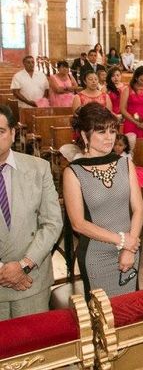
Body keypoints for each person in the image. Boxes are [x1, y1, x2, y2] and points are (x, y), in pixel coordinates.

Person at [63, 103, 143, 298]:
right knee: (103, 318)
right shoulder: (73, 172)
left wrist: (129, 248)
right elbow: (78, 224)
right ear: (84, 135)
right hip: (96, 255)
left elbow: (139, 209)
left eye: (112, 130)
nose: (109, 137)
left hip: (130, 251)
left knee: (132, 313)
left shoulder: (125, 163)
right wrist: (123, 241)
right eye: (101, 132)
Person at [0, 106, 62, 320]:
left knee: (35, 350)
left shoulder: (39, 168)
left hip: (32, 281)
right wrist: (3, 271)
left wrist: (24, 265)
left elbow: (52, 222)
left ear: (13, 133)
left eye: (0, 131)